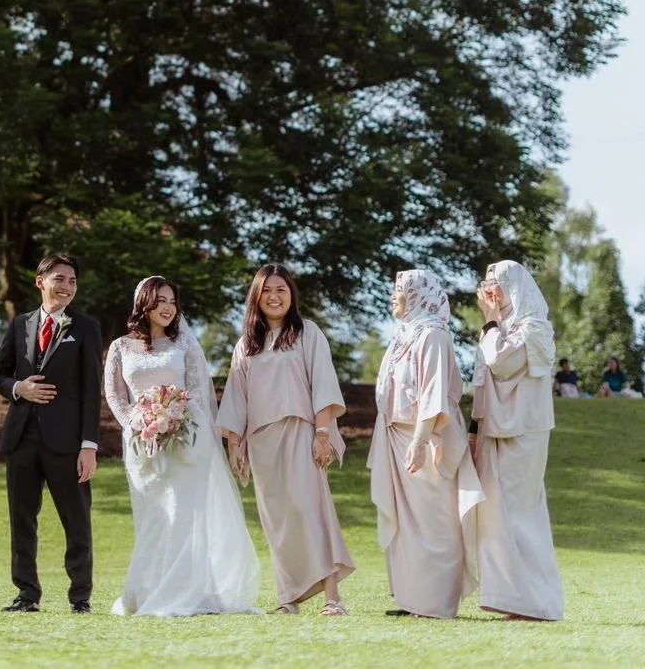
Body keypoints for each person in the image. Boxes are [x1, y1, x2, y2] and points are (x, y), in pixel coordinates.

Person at [104, 276, 260, 617]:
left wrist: (179, 423)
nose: (168, 307)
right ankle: (146, 591)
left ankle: (185, 591)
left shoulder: (185, 346)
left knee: (183, 516)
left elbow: (198, 394)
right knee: (152, 517)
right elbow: (115, 395)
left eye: (172, 301)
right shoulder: (119, 347)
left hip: (187, 443)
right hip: (140, 444)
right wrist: (138, 423)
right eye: (160, 300)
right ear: (143, 302)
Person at [217, 264, 354, 615]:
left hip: (301, 432)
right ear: (256, 297)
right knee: (277, 522)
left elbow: (322, 383)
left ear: (291, 295)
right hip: (262, 442)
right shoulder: (246, 344)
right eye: (267, 291)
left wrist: (322, 433)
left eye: (281, 289)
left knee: (312, 512)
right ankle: (287, 599)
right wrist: (235, 444)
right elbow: (236, 398)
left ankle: (332, 598)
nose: (274, 297)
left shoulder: (308, 333)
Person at [367, 268, 483, 618]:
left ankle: (436, 603)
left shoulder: (432, 335)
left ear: (417, 294)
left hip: (427, 438)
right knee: (406, 523)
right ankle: (412, 599)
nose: (393, 295)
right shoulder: (404, 335)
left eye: (399, 289)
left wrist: (419, 441)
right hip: (394, 436)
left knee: (435, 522)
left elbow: (433, 393)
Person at [0, 252, 103, 613]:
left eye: (72, 280)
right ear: (41, 282)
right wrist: (18, 388)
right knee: (22, 521)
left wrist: (89, 445)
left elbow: (91, 390)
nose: (67, 286)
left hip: (68, 443)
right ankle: (26, 595)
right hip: (21, 438)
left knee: (77, 522)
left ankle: (80, 597)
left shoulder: (86, 327)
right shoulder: (20, 323)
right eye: (60, 278)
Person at [471, 260, 563, 620]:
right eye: (486, 283)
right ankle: (512, 598)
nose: (489, 291)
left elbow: (501, 363)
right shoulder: (500, 327)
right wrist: (474, 429)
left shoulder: (535, 328)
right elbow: (482, 381)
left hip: (524, 432)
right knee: (496, 515)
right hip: (496, 430)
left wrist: (490, 320)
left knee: (520, 514)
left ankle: (538, 602)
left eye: (496, 284)